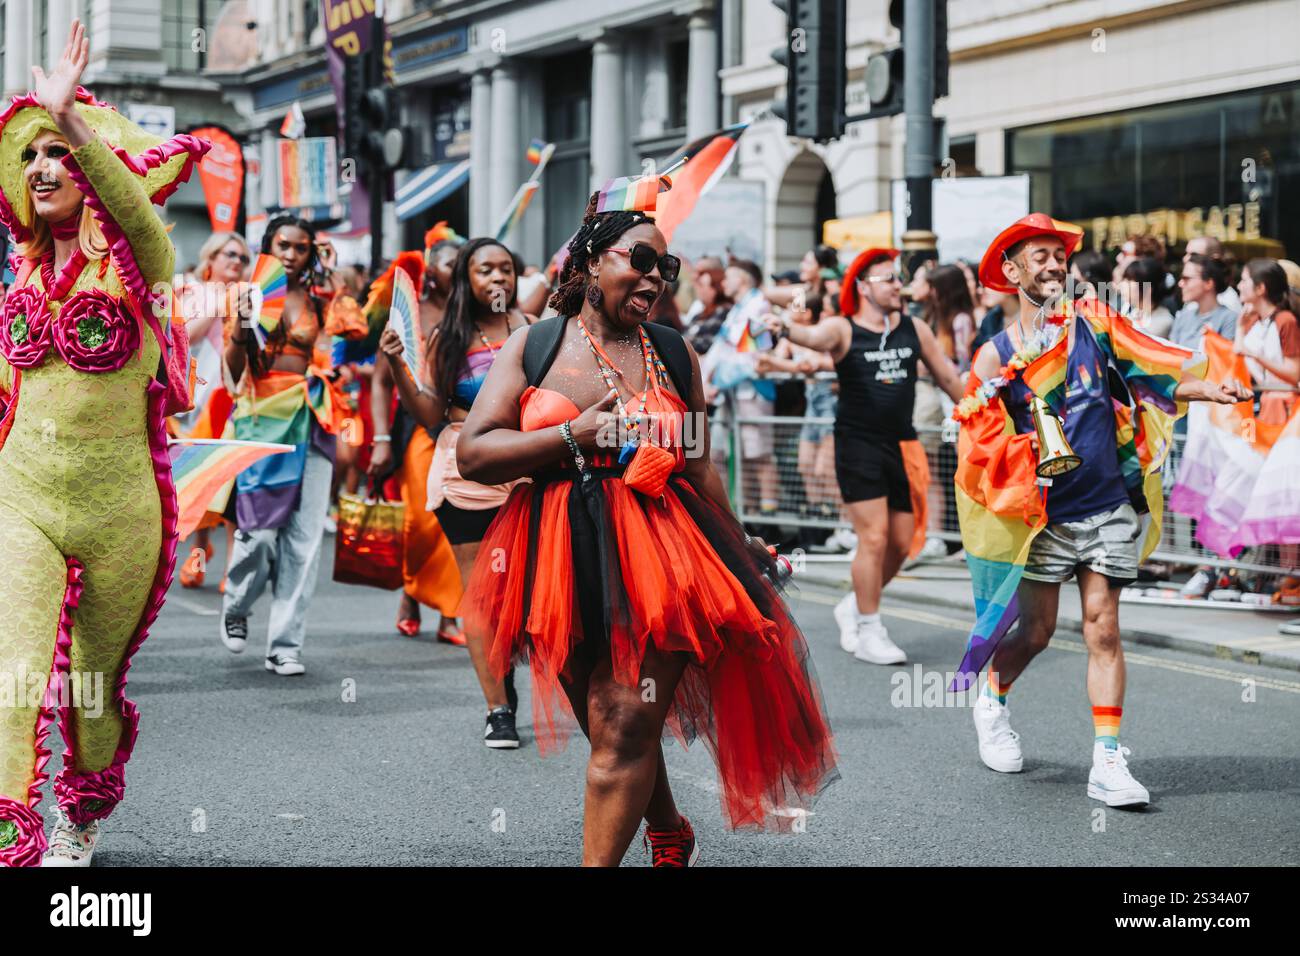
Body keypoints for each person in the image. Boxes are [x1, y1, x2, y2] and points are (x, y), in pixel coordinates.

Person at [453, 186, 837, 865]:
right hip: (557, 553)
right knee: (610, 724)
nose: (656, 277)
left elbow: (696, 464)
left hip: (665, 551)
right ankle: (668, 828)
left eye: (668, 268)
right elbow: (476, 453)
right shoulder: (534, 346)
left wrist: (738, 536)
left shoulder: (672, 352)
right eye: (641, 259)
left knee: (627, 722)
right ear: (592, 264)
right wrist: (572, 433)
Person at [0, 19, 209, 866]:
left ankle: (80, 819)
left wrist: (73, 120)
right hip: (23, 500)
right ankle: (12, 831)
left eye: (57, 153)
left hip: (121, 509)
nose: (43, 167)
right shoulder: (19, 279)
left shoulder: (142, 268)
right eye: (30, 156)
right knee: (14, 666)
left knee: (91, 687)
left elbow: (132, 212)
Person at [952, 214, 1249, 808]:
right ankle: (992, 694)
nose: (1054, 264)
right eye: (1039, 256)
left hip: (1106, 501)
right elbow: (976, 452)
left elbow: (1154, 370)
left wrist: (1208, 388)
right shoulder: (994, 358)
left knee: (1103, 628)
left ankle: (1108, 761)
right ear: (1011, 271)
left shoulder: (1097, 323)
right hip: (1041, 518)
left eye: (1058, 255)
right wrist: (1021, 451)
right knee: (1034, 633)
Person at [766, 248, 964, 665]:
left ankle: (855, 605)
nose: (898, 285)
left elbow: (948, 378)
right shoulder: (843, 328)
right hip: (858, 445)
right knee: (873, 538)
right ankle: (871, 627)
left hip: (903, 444)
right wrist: (783, 327)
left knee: (904, 542)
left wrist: (986, 412)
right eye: (887, 278)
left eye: (898, 278)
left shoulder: (915, 329)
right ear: (863, 288)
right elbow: (812, 337)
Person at [377, 237, 535, 749]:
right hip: (466, 476)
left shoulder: (533, 332)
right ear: (466, 279)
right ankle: (498, 709)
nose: (497, 278)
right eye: (485, 269)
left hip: (529, 473)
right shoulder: (448, 337)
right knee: (482, 598)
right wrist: (400, 366)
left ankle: (508, 677)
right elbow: (428, 415)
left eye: (505, 269)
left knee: (525, 592)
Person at [219, 215, 348, 676]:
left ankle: (285, 644)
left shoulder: (319, 298)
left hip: (313, 417)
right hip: (262, 419)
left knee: (304, 540)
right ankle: (237, 605)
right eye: (283, 246)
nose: (291, 255)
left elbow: (338, 348)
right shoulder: (248, 295)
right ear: (268, 248)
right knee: (258, 534)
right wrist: (240, 325)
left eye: (300, 247)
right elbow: (231, 371)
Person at [368, 226, 465, 643]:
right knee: (421, 519)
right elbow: (380, 381)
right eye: (450, 264)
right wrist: (381, 440)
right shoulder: (410, 312)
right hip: (416, 426)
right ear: (431, 272)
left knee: (456, 519)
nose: (458, 271)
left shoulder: (473, 315)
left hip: (464, 426)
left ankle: (449, 613)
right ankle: (411, 592)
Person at [173, 231, 251, 591]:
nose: (236, 262)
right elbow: (183, 338)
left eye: (242, 258)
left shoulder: (252, 296)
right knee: (203, 480)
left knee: (234, 482)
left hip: (237, 400)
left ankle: (233, 569)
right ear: (212, 258)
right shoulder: (194, 291)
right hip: (199, 402)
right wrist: (217, 307)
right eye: (229, 255)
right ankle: (201, 550)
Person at [701, 259, 781, 515]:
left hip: (752, 392)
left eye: (730, 276)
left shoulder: (760, 306)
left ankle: (767, 518)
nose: (724, 282)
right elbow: (722, 349)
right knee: (721, 453)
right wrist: (705, 380)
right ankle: (740, 513)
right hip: (729, 393)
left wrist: (715, 380)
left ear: (744, 279)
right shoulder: (737, 309)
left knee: (758, 455)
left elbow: (753, 358)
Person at [912, 263, 975, 561]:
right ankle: (937, 535)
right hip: (934, 398)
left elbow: (964, 364)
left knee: (963, 469)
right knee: (935, 471)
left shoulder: (960, 320)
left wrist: (935, 365)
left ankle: (967, 538)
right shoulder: (931, 318)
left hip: (952, 400)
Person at [1234, 258, 1300, 425]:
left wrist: (1255, 355)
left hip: (1283, 407)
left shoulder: (1286, 320)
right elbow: (1237, 354)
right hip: (1259, 403)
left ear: (1261, 288)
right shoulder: (1253, 321)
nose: (1239, 286)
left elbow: (1293, 374)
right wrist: (1240, 328)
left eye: (1244, 280)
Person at [681, 256, 729, 356]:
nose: (697, 289)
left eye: (701, 285)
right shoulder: (700, 311)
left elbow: (703, 346)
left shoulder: (722, 311)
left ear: (716, 287)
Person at [1119, 256, 1174, 338]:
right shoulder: (1133, 312)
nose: (1122, 285)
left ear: (1147, 288)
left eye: (1129, 281)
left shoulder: (1163, 321)